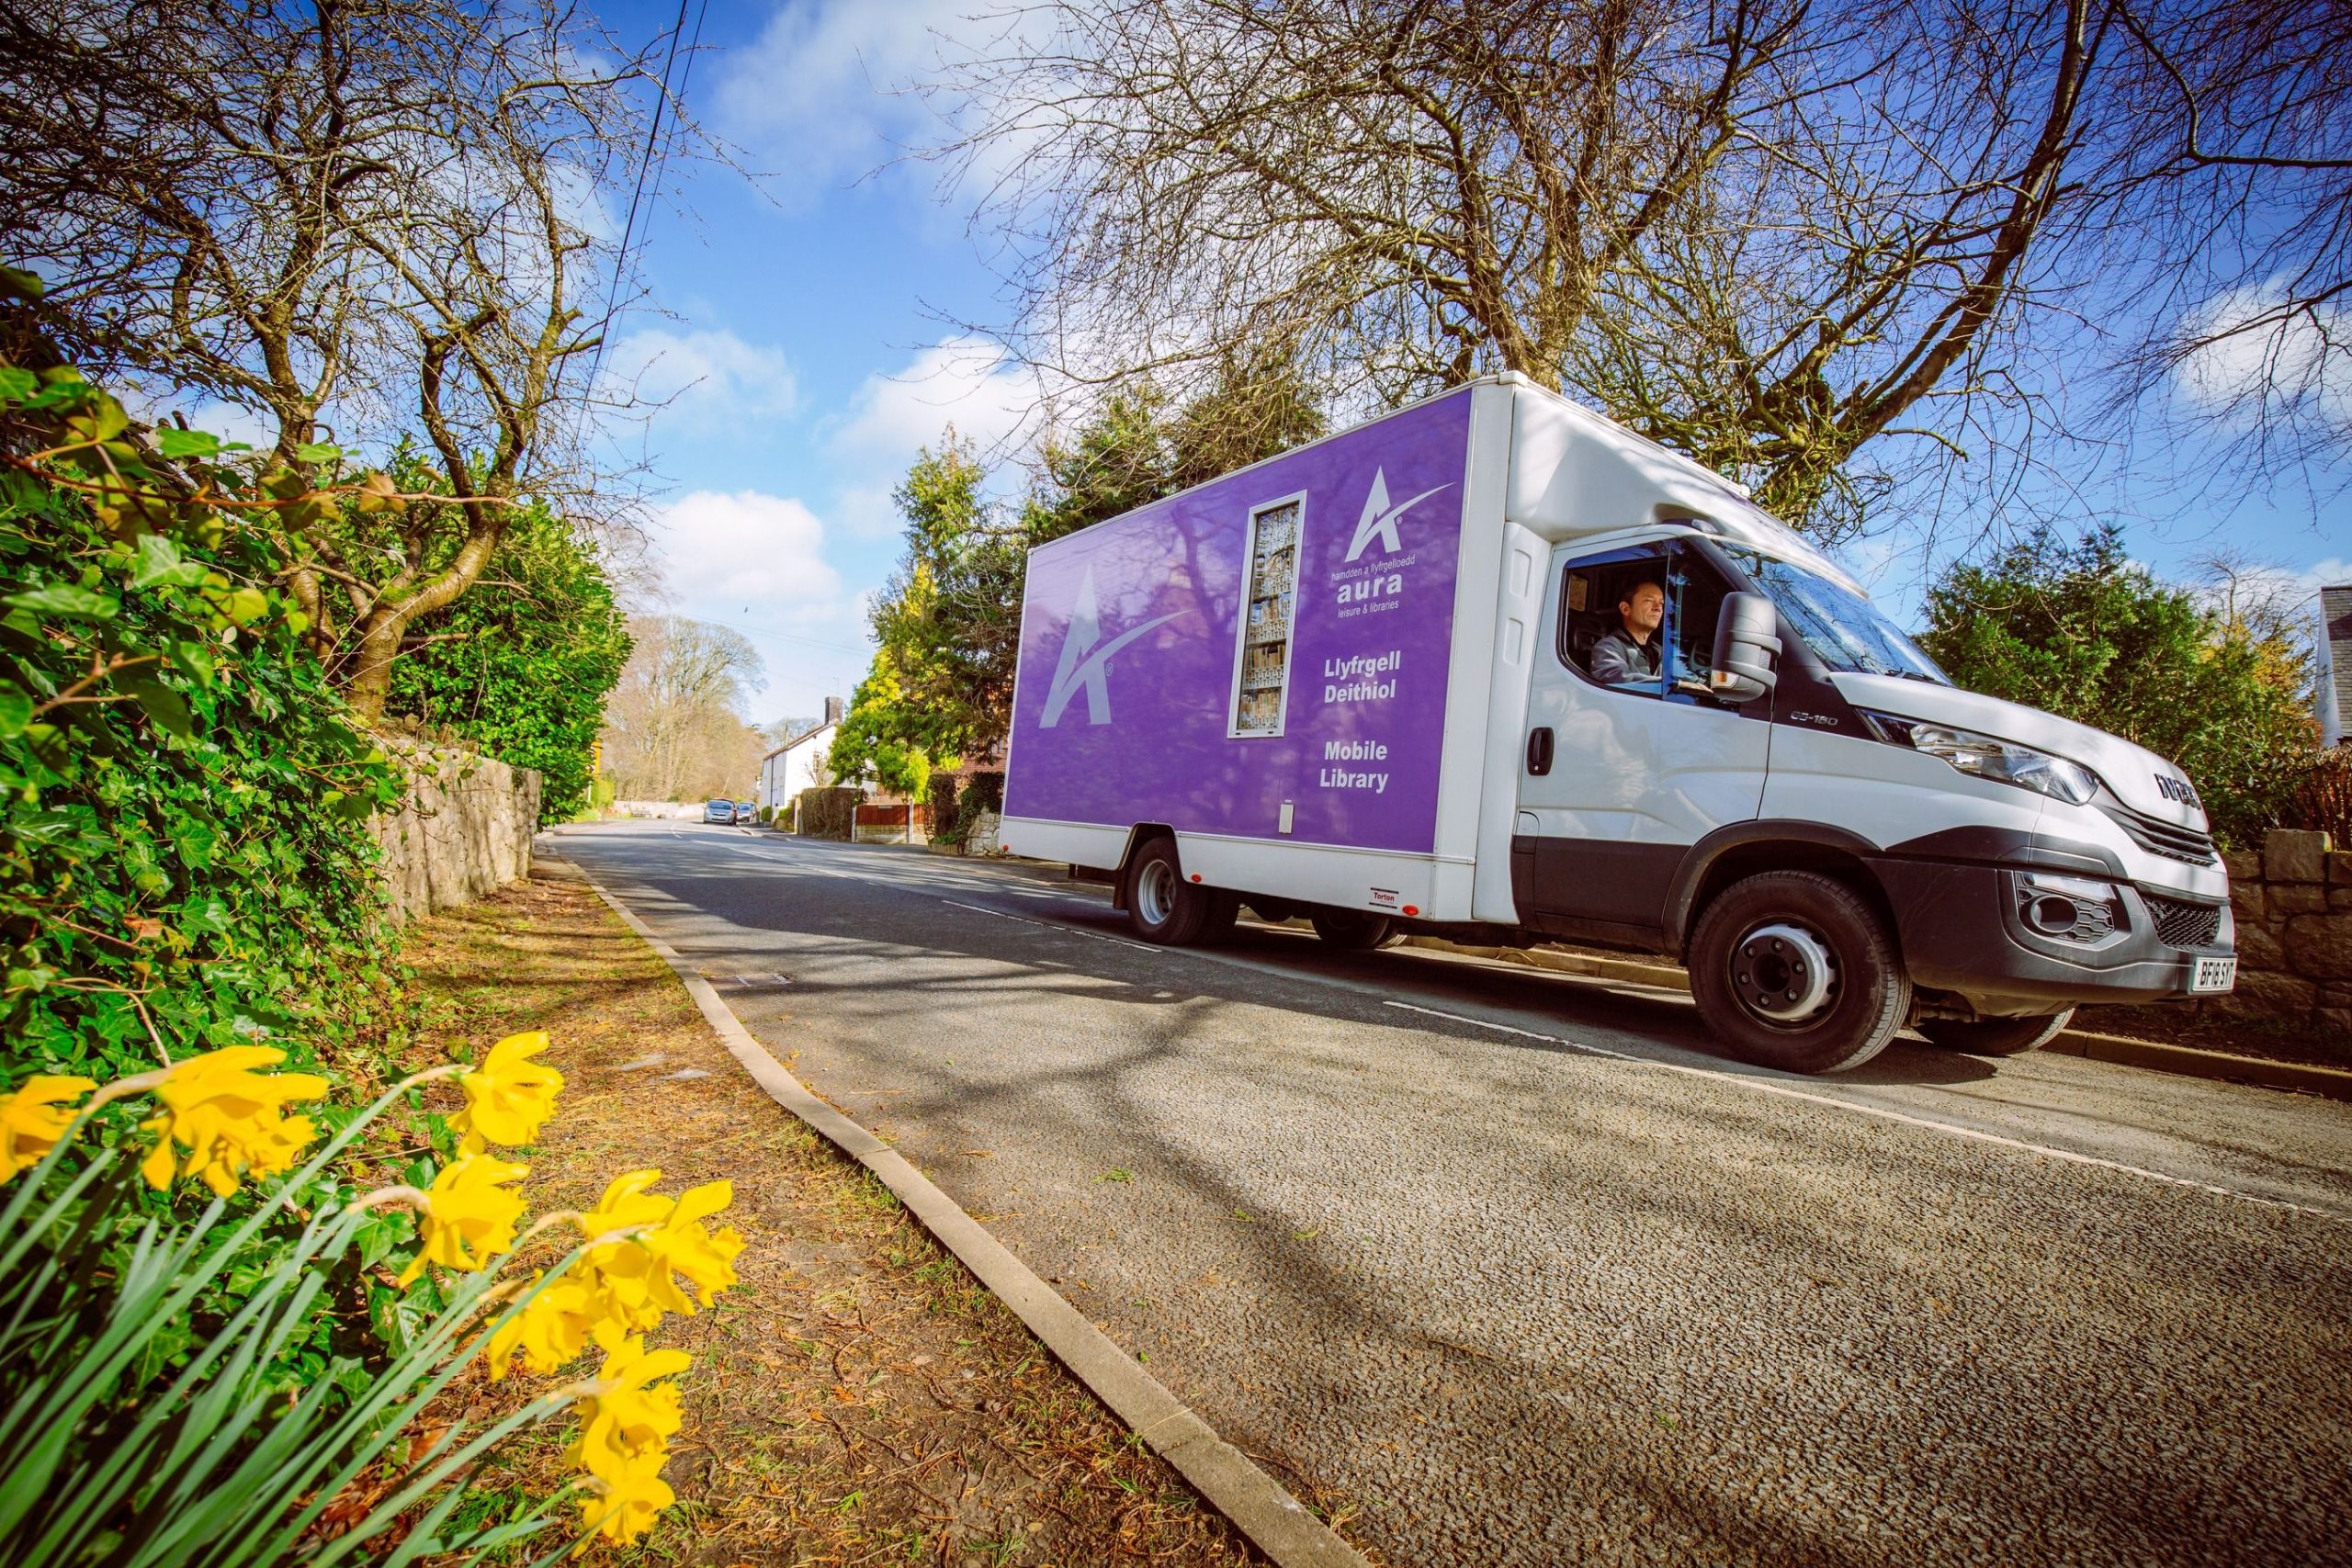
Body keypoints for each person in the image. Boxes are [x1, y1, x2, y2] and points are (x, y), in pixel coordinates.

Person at [1589, 579, 1665, 686]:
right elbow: (1617, 680)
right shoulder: (1608, 647)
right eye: (1649, 600)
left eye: (1661, 603)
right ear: (1625, 609)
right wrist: (1669, 685)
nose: (1658, 608)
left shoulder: (1660, 652)